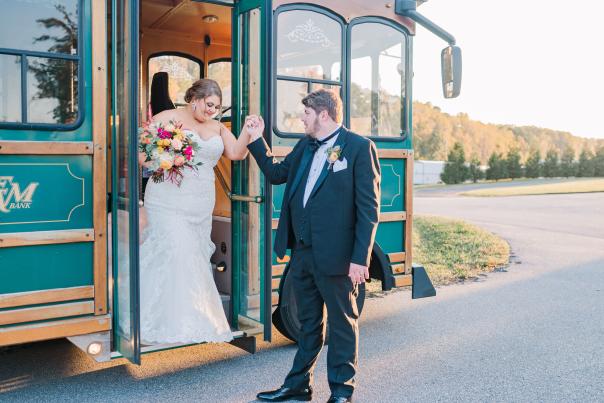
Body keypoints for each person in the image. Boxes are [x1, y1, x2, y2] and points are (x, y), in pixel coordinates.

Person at [247, 89, 381, 403]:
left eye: (305, 114)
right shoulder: (306, 146)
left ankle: (342, 391)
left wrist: (360, 259)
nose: (301, 119)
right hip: (302, 252)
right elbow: (277, 174)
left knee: (342, 324)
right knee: (308, 324)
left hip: (338, 256)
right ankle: (298, 386)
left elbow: (368, 208)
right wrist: (256, 139)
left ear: (323, 114)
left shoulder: (359, 148)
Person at [137, 78, 260, 344]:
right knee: (175, 250)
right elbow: (141, 153)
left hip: (201, 202)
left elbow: (237, 153)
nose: (212, 111)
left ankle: (191, 317)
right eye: (209, 104)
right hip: (167, 197)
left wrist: (249, 131)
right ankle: (162, 321)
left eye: (216, 107)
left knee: (192, 256)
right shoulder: (166, 117)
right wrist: (165, 158)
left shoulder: (217, 126)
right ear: (195, 98)